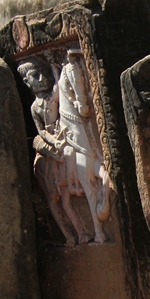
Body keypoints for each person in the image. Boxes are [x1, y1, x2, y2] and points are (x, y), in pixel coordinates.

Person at [18, 57, 86, 245]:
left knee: (65, 199)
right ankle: (68, 235)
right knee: (54, 201)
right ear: (26, 82)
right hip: (49, 140)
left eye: (44, 74)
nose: (42, 79)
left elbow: (58, 86)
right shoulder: (34, 107)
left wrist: (56, 69)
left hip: (61, 132)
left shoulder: (52, 95)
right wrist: (53, 142)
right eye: (35, 76)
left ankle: (81, 231)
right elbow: (40, 132)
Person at [58, 44, 111, 244]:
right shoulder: (69, 72)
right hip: (69, 133)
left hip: (85, 135)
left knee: (102, 172)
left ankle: (104, 203)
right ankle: (97, 231)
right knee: (70, 155)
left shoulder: (75, 70)